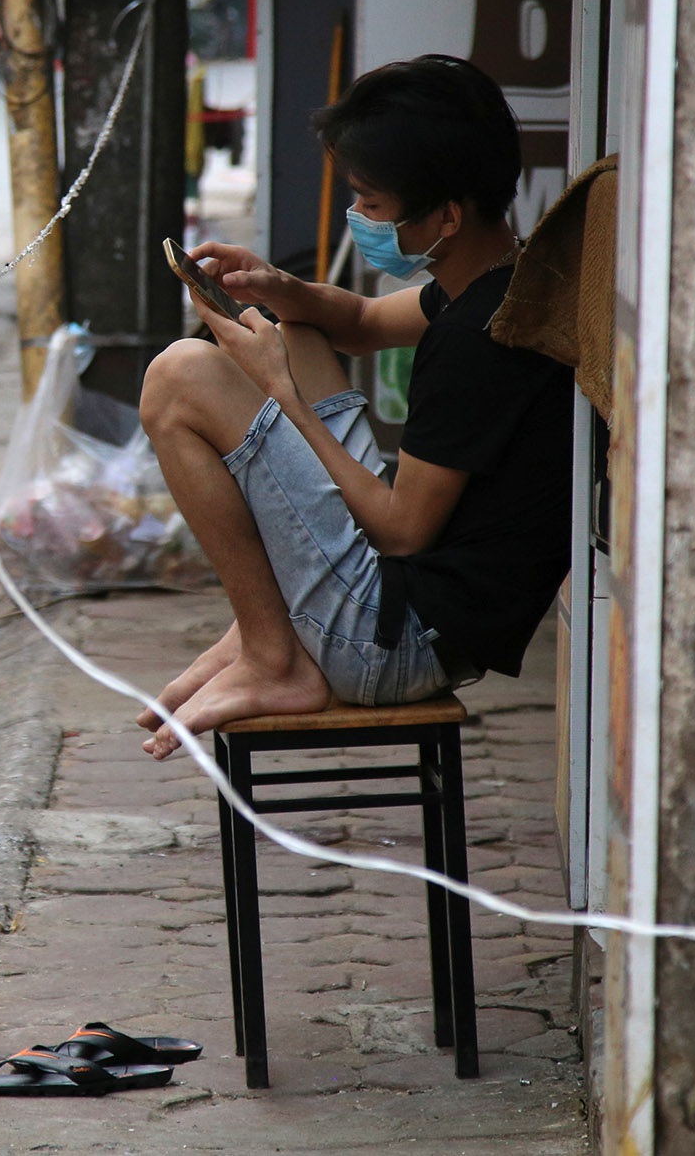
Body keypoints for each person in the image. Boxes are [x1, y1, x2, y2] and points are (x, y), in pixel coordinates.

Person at [135, 54, 572, 760]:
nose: (357, 217)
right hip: (401, 613)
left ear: (446, 216)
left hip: (389, 644)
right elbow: (364, 322)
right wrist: (275, 285)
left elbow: (401, 531)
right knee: (297, 323)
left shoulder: (479, 342)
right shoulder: (502, 283)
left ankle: (274, 654)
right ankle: (263, 632)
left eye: (370, 203)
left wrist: (282, 392)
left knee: (180, 375)